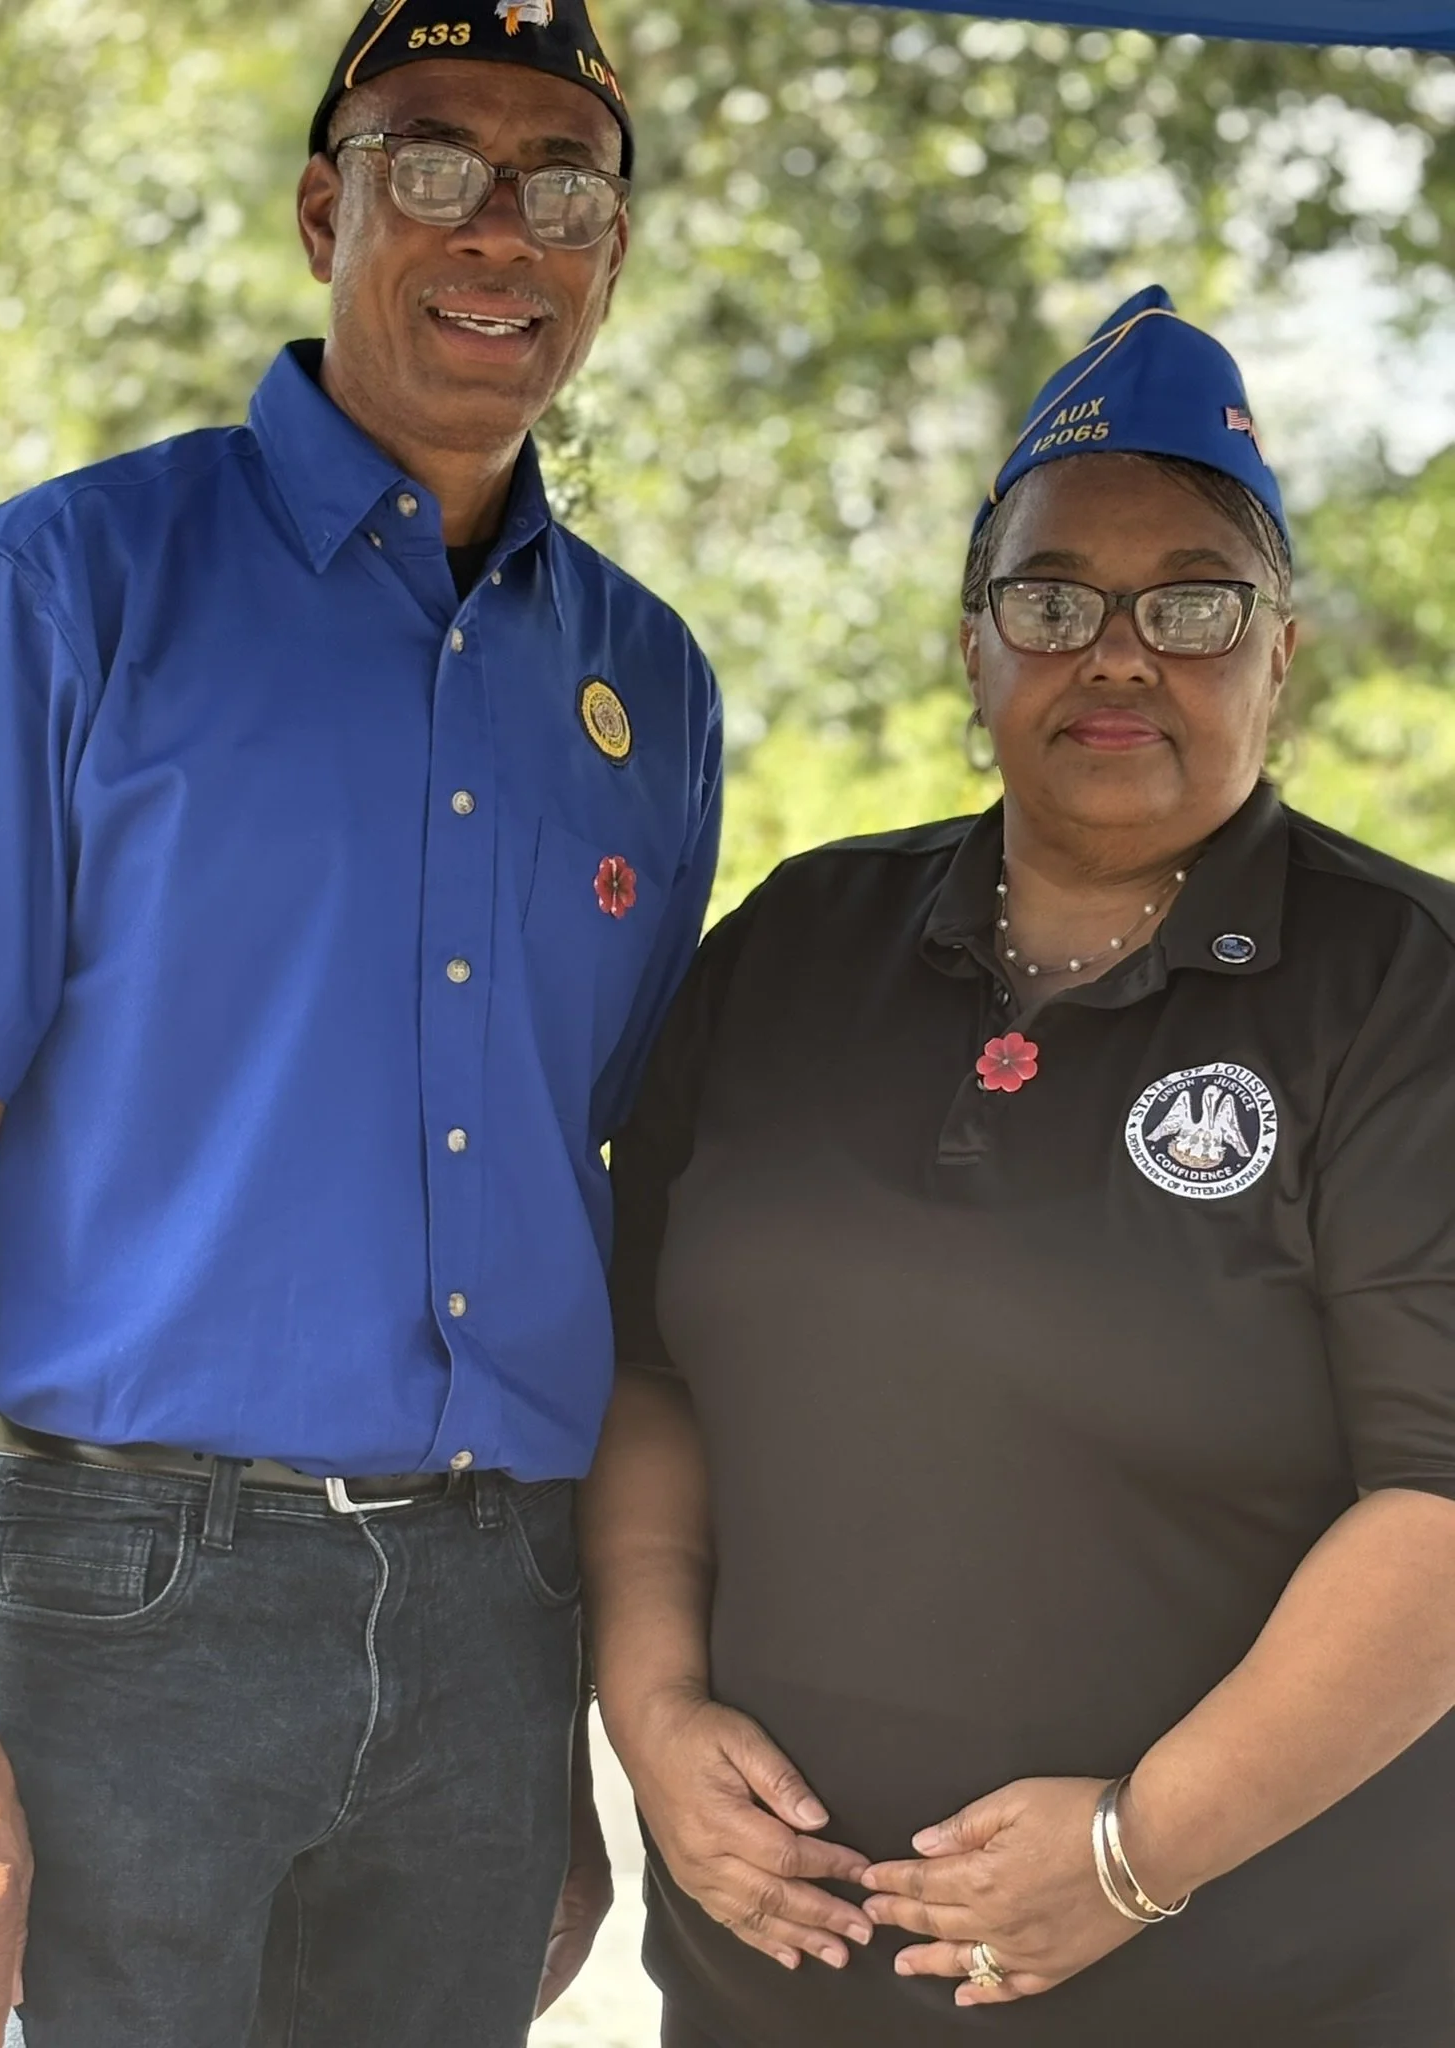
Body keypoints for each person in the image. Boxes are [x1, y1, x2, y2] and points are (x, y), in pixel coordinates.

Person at [0, 4, 722, 2044]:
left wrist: (548, 1730)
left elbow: (592, 1195)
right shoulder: (65, 587)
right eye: (434, 163)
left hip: (489, 1619)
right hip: (120, 1604)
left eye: (567, 183)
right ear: (320, 208)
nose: (501, 230)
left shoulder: (654, 686)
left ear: (612, 251)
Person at [583, 284, 1455, 2048]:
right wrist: (654, 1710)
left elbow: (1438, 1506)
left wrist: (1140, 1853)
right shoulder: (794, 940)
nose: (1118, 653)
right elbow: (645, 1369)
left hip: (1253, 1991)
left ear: (1282, 651)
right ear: (971, 644)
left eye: (1194, 604)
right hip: (778, 1993)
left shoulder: (1404, 988)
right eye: (1052, 598)